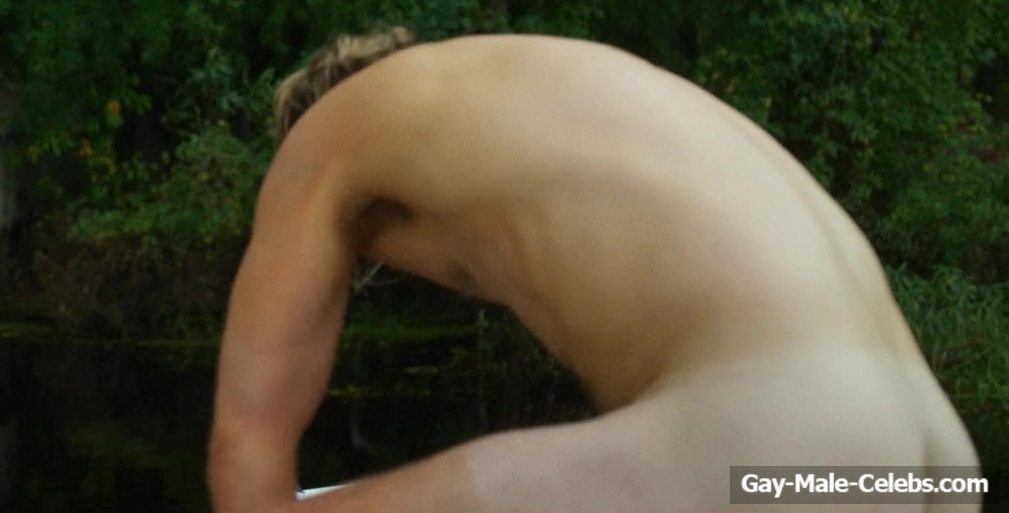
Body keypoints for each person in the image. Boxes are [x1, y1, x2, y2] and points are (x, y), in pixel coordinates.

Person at [207, 28, 979, 512]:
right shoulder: (541, 87)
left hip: (779, 447)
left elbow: (246, 456)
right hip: (930, 463)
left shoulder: (323, 141)